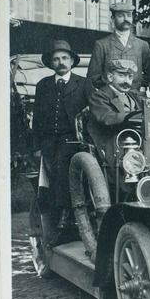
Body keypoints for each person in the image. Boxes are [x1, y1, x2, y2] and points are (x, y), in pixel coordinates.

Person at [32, 40, 94, 229]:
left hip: (73, 140)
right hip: (49, 140)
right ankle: (52, 214)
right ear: (51, 63)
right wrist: (36, 147)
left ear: (72, 61)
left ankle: (67, 214)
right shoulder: (43, 85)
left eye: (64, 58)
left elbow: (92, 114)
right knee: (47, 176)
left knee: (61, 166)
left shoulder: (83, 84)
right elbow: (37, 119)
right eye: (56, 59)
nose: (61, 62)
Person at [87, 59, 143, 184]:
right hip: (111, 141)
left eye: (130, 76)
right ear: (110, 76)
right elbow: (106, 118)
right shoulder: (100, 96)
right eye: (121, 75)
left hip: (135, 140)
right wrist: (132, 116)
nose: (126, 80)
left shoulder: (134, 96)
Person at [87, 2, 150, 95]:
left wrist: (136, 83)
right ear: (113, 18)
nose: (126, 19)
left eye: (129, 16)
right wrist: (111, 85)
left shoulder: (142, 45)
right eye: (121, 16)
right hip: (110, 99)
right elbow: (93, 77)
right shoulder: (102, 45)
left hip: (136, 99)